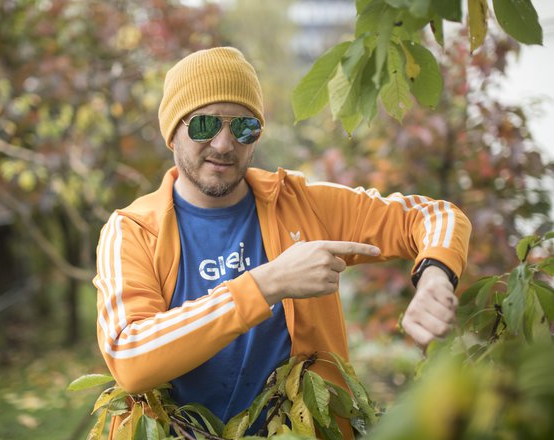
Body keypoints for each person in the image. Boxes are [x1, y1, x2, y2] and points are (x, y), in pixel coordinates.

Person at [93, 47, 471, 438]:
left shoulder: (302, 204)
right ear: (173, 132)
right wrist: (268, 283)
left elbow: (434, 216)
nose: (224, 144)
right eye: (205, 125)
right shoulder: (133, 230)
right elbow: (130, 355)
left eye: (244, 128)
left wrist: (434, 275)